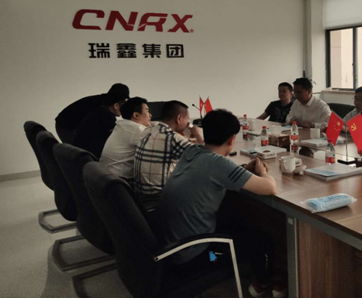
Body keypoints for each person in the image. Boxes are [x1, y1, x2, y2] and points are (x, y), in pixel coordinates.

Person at [157, 109, 279, 297]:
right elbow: (269, 188)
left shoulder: (192, 151)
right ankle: (263, 285)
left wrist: (242, 171)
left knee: (237, 217)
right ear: (232, 139)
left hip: (173, 244)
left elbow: (215, 172)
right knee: (262, 241)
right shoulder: (218, 164)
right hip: (195, 255)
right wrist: (262, 172)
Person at [134, 100, 203, 198]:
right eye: (187, 119)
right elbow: (206, 159)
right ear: (179, 118)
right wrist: (198, 135)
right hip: (161, 198)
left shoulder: (148, 130)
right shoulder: (172, 138)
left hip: (140, 195)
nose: (188, 123)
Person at [55, 83, 129, 144]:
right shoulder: (103, 111)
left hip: (64, 123)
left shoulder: (103, 102)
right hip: (66, 127)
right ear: (116, 105)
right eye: (124, 104)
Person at [100, 97, 152, 182]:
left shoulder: (122, 125)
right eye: (147, 111)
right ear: (136, 115)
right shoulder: (137, 129)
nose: (150, 115)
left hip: (106, 176)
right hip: (119, 181)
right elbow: (157, 146)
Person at [72, 89, 128, 159]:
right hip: (87, 155)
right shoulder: (108, 117)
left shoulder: (100, 110)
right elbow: (116, 140)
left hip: (79, 150)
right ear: (116, 106)